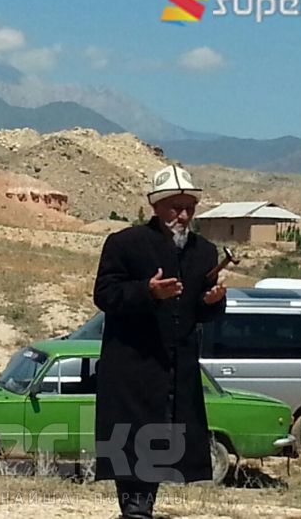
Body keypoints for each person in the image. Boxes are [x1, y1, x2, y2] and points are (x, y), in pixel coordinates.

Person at [93, 164, 227, 519]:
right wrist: (148, 292)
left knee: (164, 441)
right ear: (155, 206)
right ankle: (135, 509)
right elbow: (104, 294)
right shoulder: (125, 243)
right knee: (131, 444)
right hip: (132, 369)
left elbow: (200, 311)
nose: (183, 216)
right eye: (175, 208)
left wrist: (213, 302)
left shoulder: (204, 251)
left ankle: (142, 507)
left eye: (189, 209)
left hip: (177, 370)